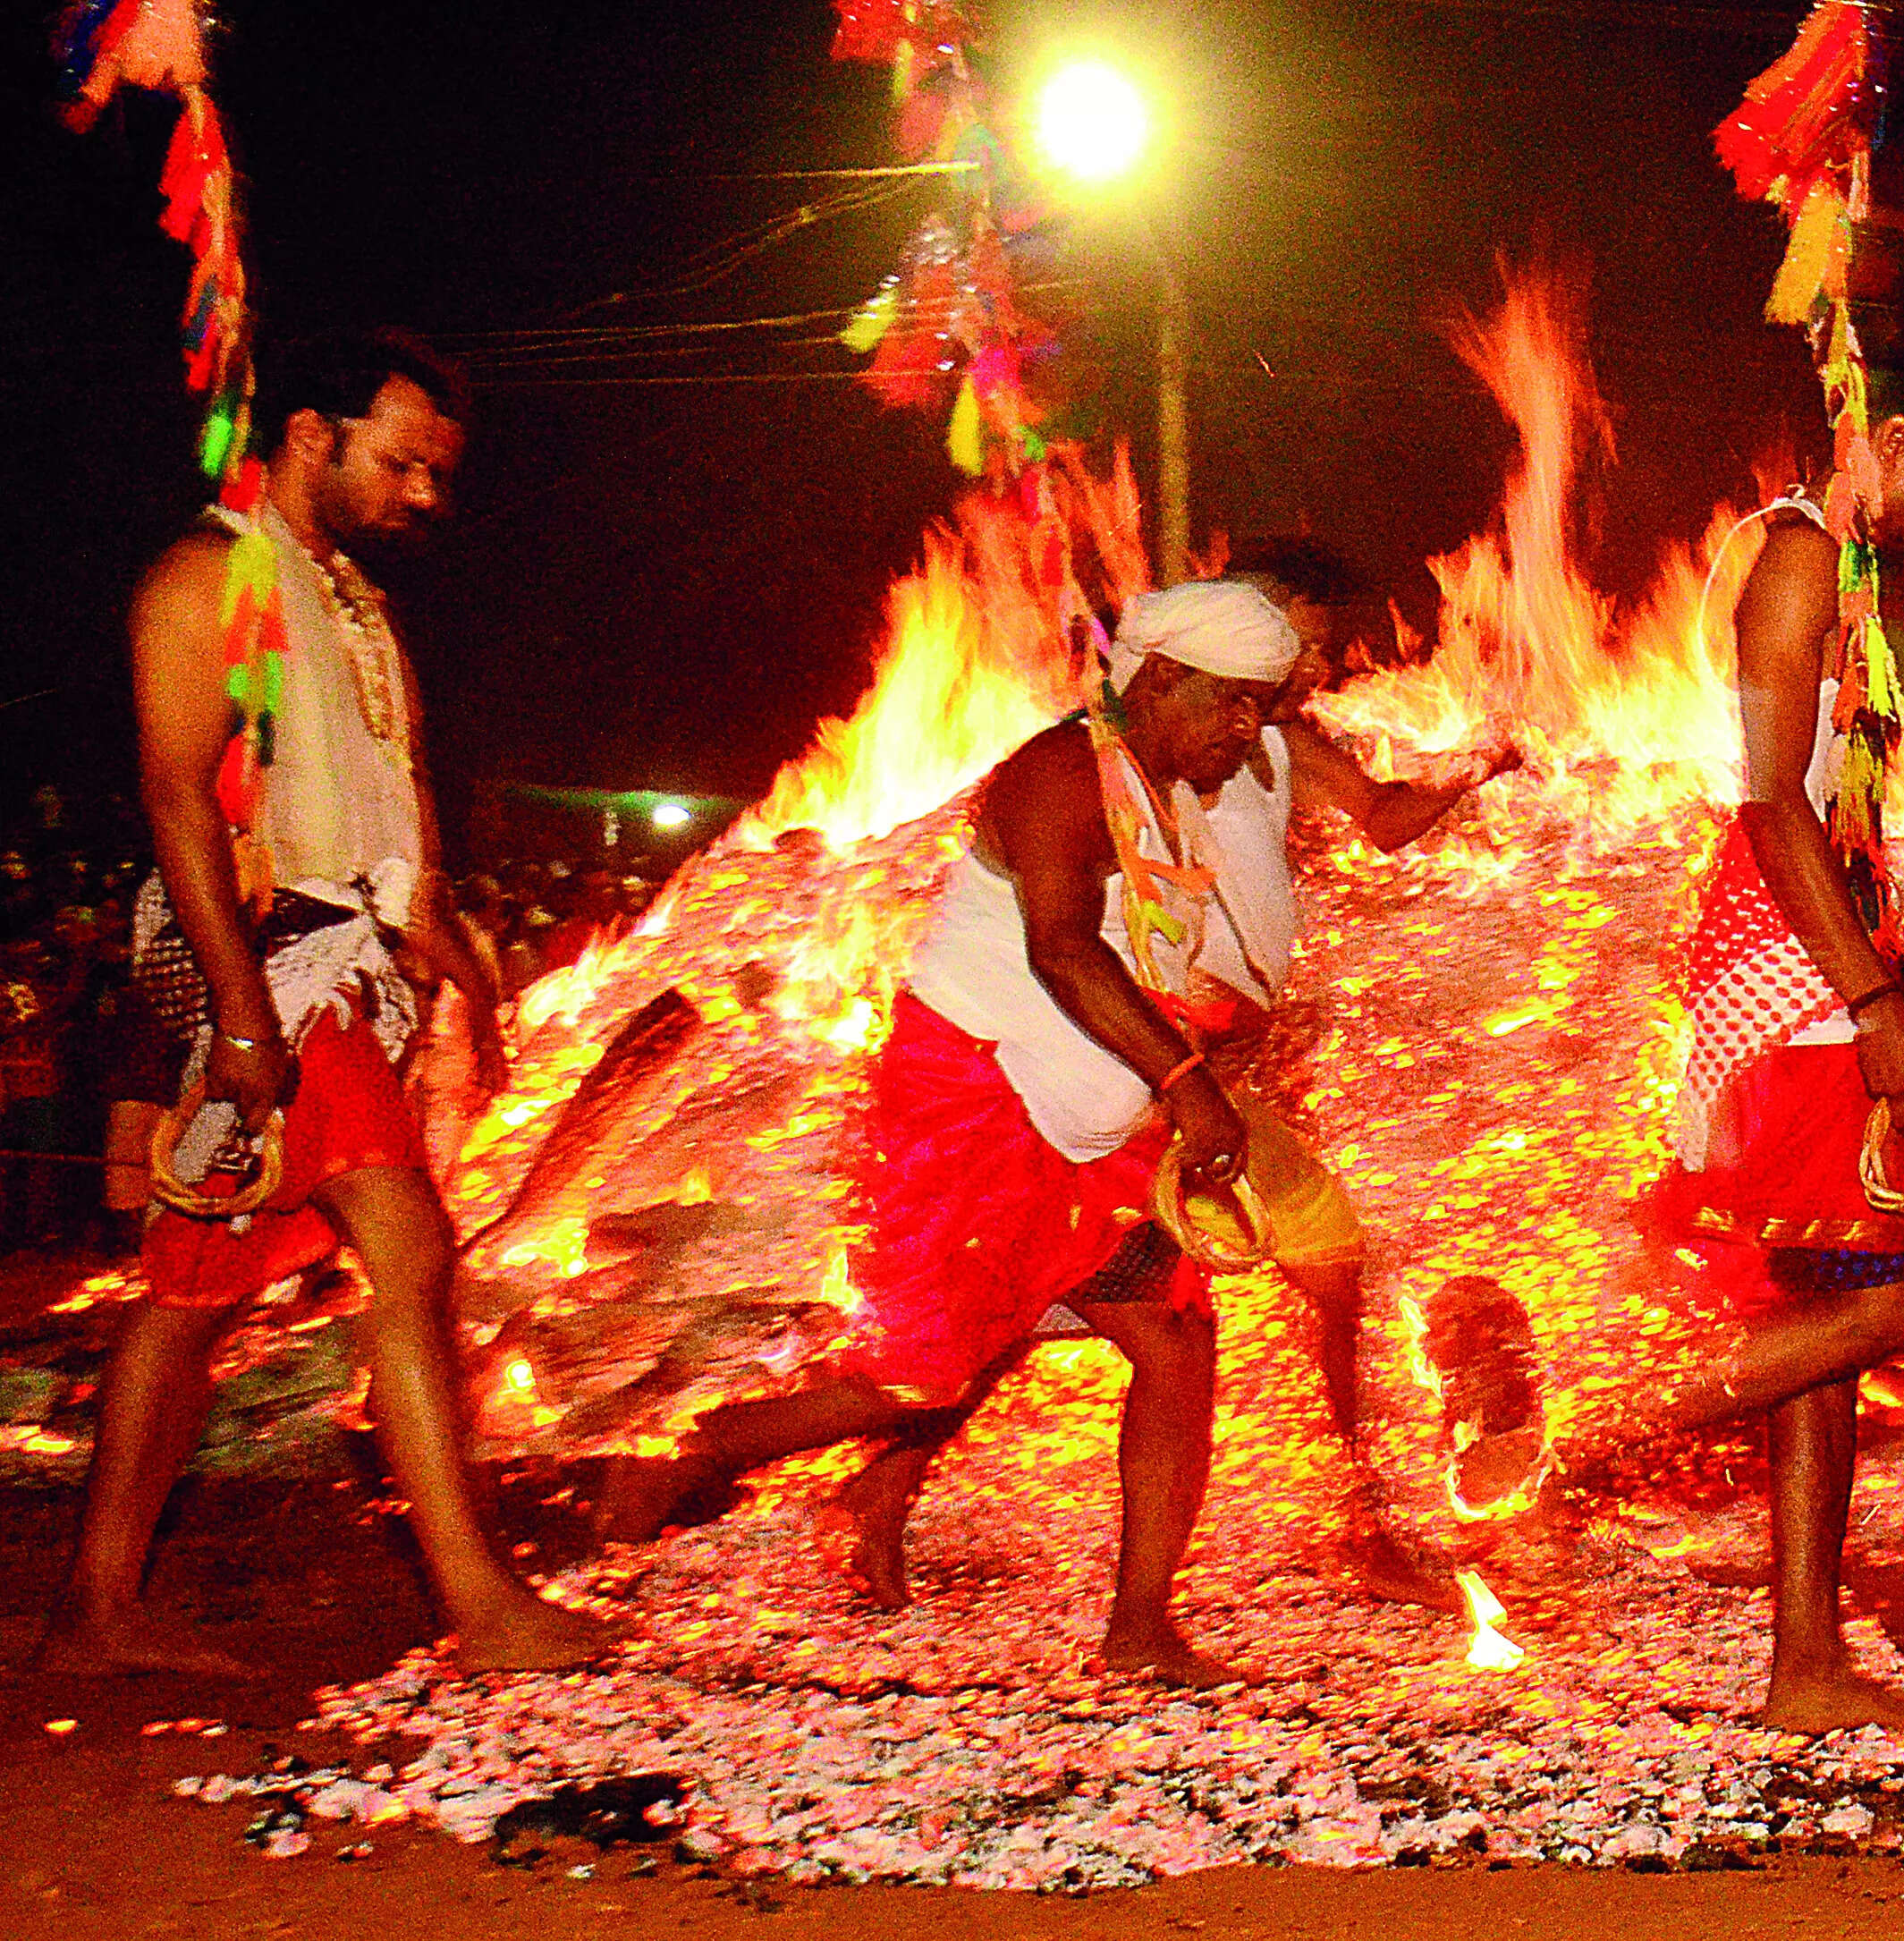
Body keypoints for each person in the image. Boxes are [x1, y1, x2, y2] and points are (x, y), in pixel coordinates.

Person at [596, 581, 1299, 1686]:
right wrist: (1186, 1084)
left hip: (1093, 1136)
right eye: (1234, 702)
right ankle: (688, 1451)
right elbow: (1063, 949)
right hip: (972, 1107)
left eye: (1263, 707)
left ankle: (1140, 1627)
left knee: (1175, 1343)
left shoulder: (1163, 788)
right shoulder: (1062, 771)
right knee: (920, 1372)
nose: (1248, 731)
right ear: (1161, 678)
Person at [43, 330, 606, 1675]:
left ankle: (95, 1610)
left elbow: (389, 804)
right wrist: (244, 1016)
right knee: (410, 1253)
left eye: (437, 472)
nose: (426, 495)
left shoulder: (352, 602)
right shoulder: (205, 576)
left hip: (338, 972)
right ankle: (481, 1604)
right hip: (269, 974)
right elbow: (181, 801)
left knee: (185, 1299)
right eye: (402, 463)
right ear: (311, 433)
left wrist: (452, 949)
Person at [825, 540, 1520, 1612]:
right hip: (1146, 1060)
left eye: (1313, 652)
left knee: (1086, 1303)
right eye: (1290, 641)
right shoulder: (1151, 750)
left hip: (1187, 1070)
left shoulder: (1273, 741)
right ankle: (1353, 1529)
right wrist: (1181, 1070)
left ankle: (1293, 1547)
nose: (1304, 666)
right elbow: (1071, 937)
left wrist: (1476, 767)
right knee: (1046, 1305)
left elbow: (1381, 819)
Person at [1617, 326, 1904, 1733]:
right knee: (1886, 1301)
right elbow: (1769, 802)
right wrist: (1872, 1001)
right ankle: (1592, 1427)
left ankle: (1803, 1658)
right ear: (1894, 440)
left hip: (1815, 958)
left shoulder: (1841, 568)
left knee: (1827, 1313)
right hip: (1788, 975)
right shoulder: (1798, 552)